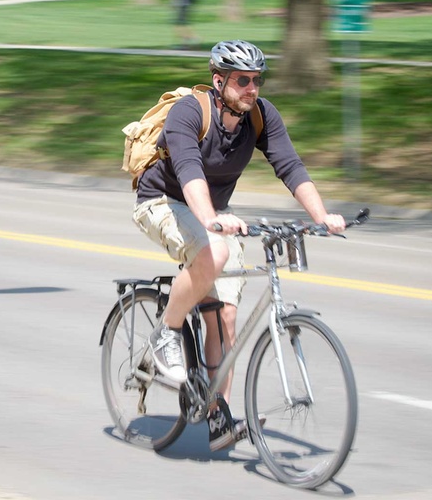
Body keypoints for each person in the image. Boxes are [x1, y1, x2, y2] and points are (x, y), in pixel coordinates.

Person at [132, 40, 346, 451]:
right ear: (219, 80)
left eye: (256, 80)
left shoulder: (261, 117)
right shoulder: (190, 112)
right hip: (162, 202)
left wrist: (321, 215)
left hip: (212, 210)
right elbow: (189, 170)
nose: (252, 88)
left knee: (225, 315)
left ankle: (217, 417)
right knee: (215, 252)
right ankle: (167, 333)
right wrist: (211, 218)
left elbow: (290, 165)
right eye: (242, 80)